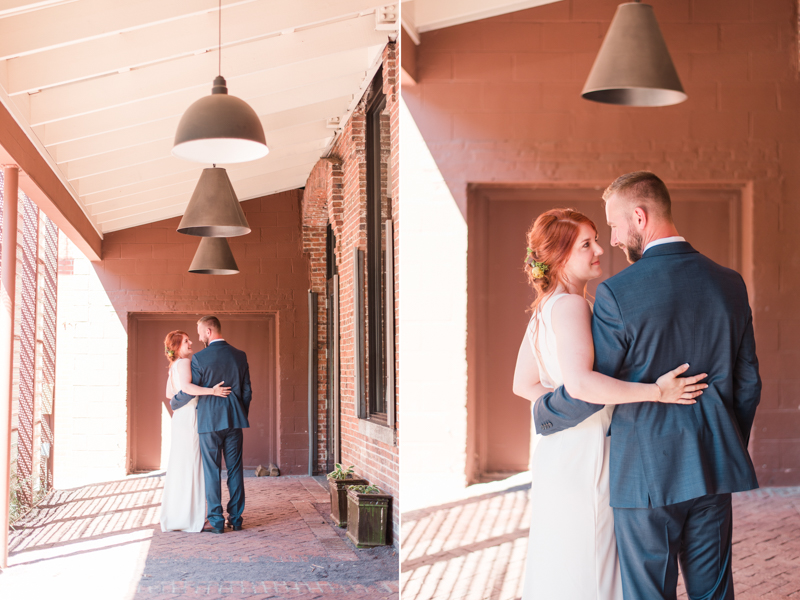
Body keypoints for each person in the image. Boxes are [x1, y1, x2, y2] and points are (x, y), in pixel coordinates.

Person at [531, 172, 761, 600]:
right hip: (712, 466)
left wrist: (545, 411)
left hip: (645, 476)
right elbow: (748, 382)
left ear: (639, 217)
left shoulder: (618, 293)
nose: (613, 240)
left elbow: (591, 385)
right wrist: (725, 442)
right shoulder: (730, 283)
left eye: (615, 227)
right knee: (713, 593)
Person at [513, 207, 707, 600]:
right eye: (586, 244)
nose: (600, 249)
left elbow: (523, 384)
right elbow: (582, 384)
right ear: (560, 256)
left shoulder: (545, 308)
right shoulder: (572, 306)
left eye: (597, 238)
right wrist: (657, 391)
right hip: (586, 459)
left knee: (565, 563)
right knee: (593, 565)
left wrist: (559, 415)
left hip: (557, 455)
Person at [171, 316, 252, 534]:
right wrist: (239, 414)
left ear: (208, 331)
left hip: (209, 422)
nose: (197, 338)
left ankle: (216, 520)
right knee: (235, 470)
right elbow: (247, 392)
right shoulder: (240, 356)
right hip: (234, 421)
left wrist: (174, 402)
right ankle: (236, 519)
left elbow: (190, 389)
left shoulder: (199, 358)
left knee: (212, 471)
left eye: (199, 333)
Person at [160, 330, 230, 533]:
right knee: (193, 465)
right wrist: (212, 391)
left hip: (180, 418)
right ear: (176, 346)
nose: (190, 342)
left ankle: (180, 514)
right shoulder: (184, 363)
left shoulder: (174, 366)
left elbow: (169, 394)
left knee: (181, 465)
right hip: (190, 417)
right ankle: (195, 518)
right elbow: (188, 388)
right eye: (185, 341)